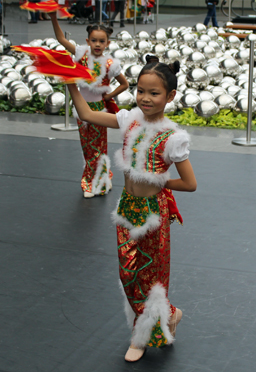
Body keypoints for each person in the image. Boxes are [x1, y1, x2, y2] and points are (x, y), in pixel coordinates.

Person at [67, 55, 197, 362]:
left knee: (151, 275)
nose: (145, 98)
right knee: (128, 272)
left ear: (170, 96)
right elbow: (86, 113)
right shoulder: (129, 120)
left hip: (154, 213)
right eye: (141, 90)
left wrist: (162, 184)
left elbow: (189, 184)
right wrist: (71, 82)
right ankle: (169, 313)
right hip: (128, 208)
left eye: (154, 93)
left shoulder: (173, 138)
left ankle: (143, 335)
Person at [49, 13, 129, 197]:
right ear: (88, 41)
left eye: (102, 41)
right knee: (87, 148)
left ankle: (93, 184)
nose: (98, 44)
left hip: (99, 111)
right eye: (94, 40)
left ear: (108, 43)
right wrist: (54, 18)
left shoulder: (110, 64)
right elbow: (61, 39)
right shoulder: (80, 53)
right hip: (81, 109)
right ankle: (102, 178)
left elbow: (124, 84)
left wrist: (109, 96)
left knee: (98, 148)